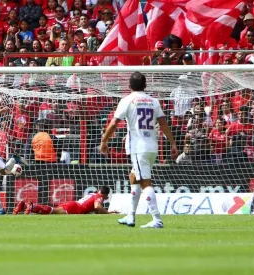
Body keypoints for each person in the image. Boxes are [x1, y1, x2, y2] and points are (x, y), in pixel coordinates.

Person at [100, 72, 178, 228]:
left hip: (138, 147)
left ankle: (157, 219)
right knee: (134, 177)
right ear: (145, 85)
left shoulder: (127, 100)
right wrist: (173, 143)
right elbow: (163, 124)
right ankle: (131, 216)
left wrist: (104, 140)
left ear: (129, 86)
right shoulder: (154, 101)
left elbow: (115, 123)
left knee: (145, 183)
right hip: (152, 146)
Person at [14, 186, 117, 215]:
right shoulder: (99, 197)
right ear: (105, 194)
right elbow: (97, 207)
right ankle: (32, 206)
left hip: (73, 204)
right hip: (75, 208)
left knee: (53, 211)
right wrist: (108, 213)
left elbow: (96, 210)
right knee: (53, 211)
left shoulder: (93, 193)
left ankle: (24, 207)